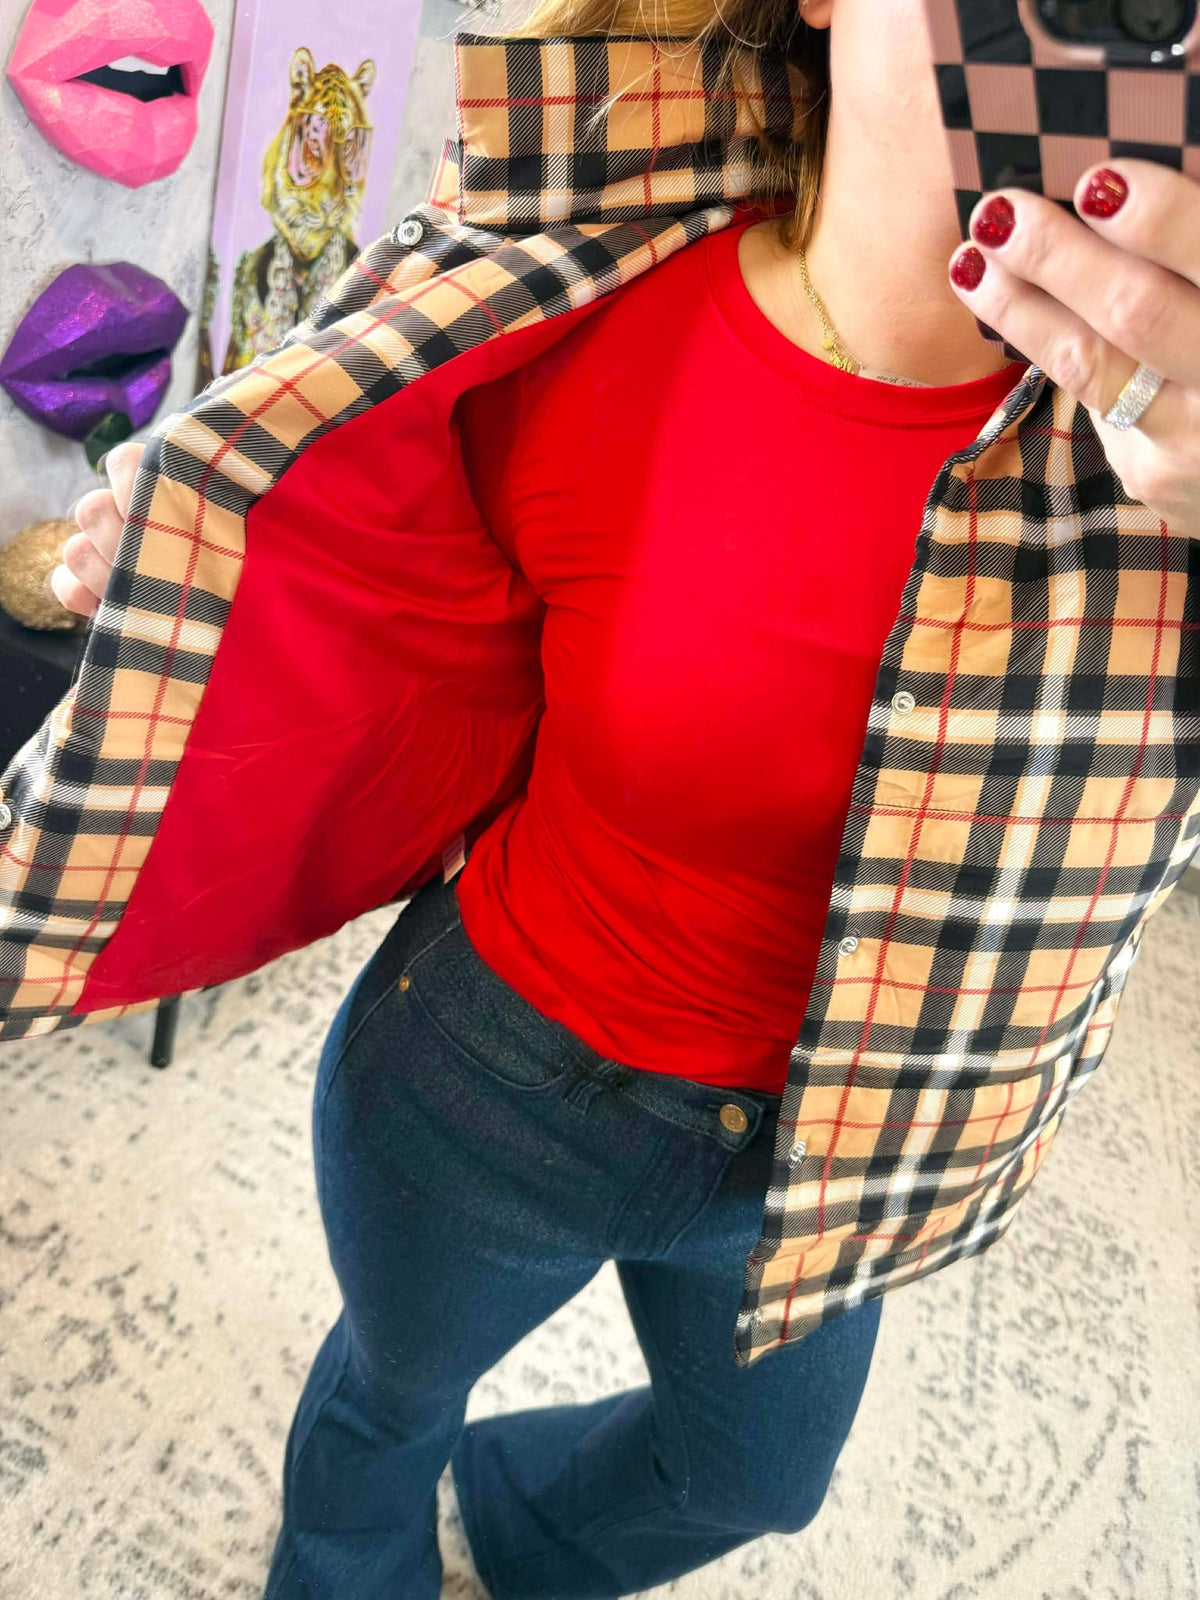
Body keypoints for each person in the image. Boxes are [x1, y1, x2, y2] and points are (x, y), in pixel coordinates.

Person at [46, 0, 1200, 1595]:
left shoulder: (1157, 497)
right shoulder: (599, 310)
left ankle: (519, 1532)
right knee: (389, 1405)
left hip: (816, 1160)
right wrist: (204, 543)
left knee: (756, 1477)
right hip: (489, 1078)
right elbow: (366, 560)